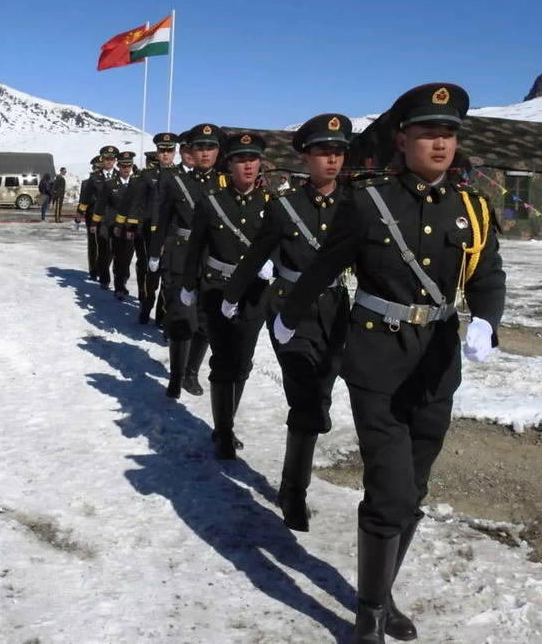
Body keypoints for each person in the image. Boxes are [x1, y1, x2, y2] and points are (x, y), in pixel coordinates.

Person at [272, 84, 505, 643]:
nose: (441, 143)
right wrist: (290, 314)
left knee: (416, 490)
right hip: (377, 360)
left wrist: (487, 321)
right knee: (391, 491)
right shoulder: (368, 199)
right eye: (429, 133)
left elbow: (488, 274)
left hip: (437, 365)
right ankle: (370, 614)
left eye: (448, 134)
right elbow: (327, 263)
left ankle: (382, 592)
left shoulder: (472, 206)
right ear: (403, 140)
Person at [221, 114, 354, 530]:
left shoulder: (357, 205)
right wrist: (231, 295)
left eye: (337, 153)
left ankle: (305, 442)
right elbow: (257, 253)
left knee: (322, 394)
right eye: (322, 152)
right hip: (288, 312)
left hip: (335, 310)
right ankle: (292, 491)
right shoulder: (285, 207)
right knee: (305, 398)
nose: (331, 161)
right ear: (305, 156)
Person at [179, 132, 272, 459]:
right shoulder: (212, 202)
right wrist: (189, 284)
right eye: (240, 159)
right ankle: (223, 432)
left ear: (260, 163)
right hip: (217, 290)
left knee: (243, 363)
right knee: (223, 361)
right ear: (229, 164)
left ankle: (227, 421)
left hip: (255, 295)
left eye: (253, 159)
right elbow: (196, 248)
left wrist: (272, 265)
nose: (248, 165)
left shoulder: (272, 204)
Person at [149, 125, 221, 397]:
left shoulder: (224, 184)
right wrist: (155, 253)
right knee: (182, 319)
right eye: (199, 148)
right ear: (191, 151)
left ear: (217, 152)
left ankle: (191, 373)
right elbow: (164, 220)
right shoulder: (176, 183)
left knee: (205, 320)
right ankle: (176, 375)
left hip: (211, 258)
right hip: (181, 256)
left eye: (210, 148)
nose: (204, 154)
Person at [134, 134, 179, 324]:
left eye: (169, 151)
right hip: (150, 233)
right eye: (162, 151)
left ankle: (162, 315)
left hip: (171, 234)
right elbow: (139, 202)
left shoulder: (181, 176)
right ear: (157, 153)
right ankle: (146, 306)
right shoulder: (147, 175)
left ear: (174, 152)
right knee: (150, 274)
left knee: (168, 278)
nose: (166, 155)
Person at [103, 151, 141, 300]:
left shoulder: (136, 182)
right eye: (123, 165)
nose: (126, 168)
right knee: (118, 257)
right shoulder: (111, 184)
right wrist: (112, 224)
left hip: (131, 227)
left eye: (128, 165)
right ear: (118, 166)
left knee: (128, 257)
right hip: (116, 227)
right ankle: (119, 286)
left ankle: (123, 279)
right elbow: (106, 206)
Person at [87, 146, 119, 289]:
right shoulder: (95, 177)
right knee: (103, 247)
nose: (109, 161)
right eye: (107, 159)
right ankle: (104, 279)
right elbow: (86, 197)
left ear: (115, 160)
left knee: (115, 250)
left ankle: (109, 273)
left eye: (111, 159)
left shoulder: (121, 176)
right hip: (101, 219)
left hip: (117, 219)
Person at [77, 156, 103, 279]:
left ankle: (102, 268)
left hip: (105, 216)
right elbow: (82, 200)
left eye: (99, 167)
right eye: (95, 167)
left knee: (105, 244)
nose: (96, 170)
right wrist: (79, 215)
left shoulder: (109, 181)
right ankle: (93, 270)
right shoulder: (86, 183)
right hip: (91, 215)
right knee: (93, 243)